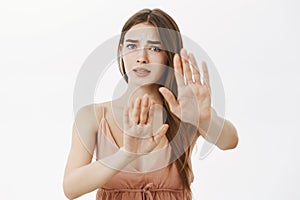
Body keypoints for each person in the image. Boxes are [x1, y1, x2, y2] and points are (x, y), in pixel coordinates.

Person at [63, 8, 238, 200]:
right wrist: (126, 154)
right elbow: (71, 188)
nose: (142, 58)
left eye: (155, 48)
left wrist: (204, 119)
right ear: (121, 50)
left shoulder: (185, 110)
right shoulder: (93, 115)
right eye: (132, 46)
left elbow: (230, 141)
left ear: (169, 55)